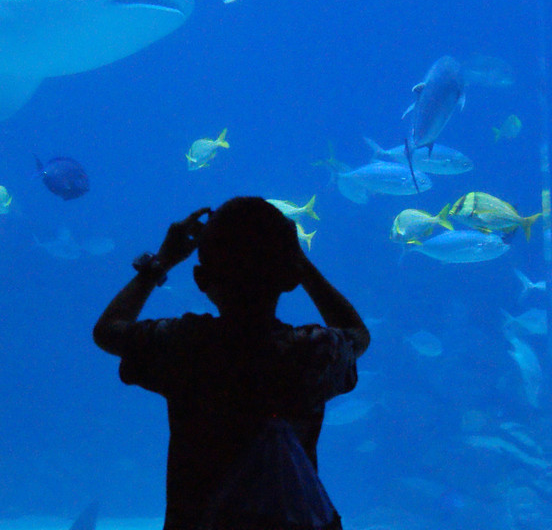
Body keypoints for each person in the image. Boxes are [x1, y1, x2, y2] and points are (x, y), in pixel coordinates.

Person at [93, 197, 370, 530]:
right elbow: (357, 334)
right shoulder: (312, 352)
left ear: (200, 279)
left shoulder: (185, 345)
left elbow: (108, 331)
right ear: (290, 277)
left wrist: (162, 260)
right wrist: (302, 265)